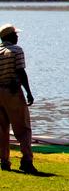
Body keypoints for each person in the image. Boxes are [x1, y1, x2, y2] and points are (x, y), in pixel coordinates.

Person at [0, 23, 37, 175]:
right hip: (12, 92)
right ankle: (26, 161)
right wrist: (28, 92)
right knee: (23, 128)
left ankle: (4, 161)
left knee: (2, 129)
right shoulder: (16, 51)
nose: (17, 36)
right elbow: (20, 72)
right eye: (15, 34)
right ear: (9, 36)